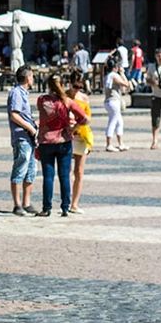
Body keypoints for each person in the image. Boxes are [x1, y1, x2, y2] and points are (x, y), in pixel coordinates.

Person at [36, 75, 88, 217]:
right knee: (64, 176)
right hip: (64, 141)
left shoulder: (42, 100)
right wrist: (73, 128)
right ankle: (65, 207)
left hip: (46, 142)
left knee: (48, 176)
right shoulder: (67, 102)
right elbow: (84, 118)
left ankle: (46, 208)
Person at [7, 65, 38, 216]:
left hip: (30, 137)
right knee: (20, 168)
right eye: (32, 76)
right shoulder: (16, 93)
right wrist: (30, 128)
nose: (33, 79)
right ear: (27, 78)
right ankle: (17, 204)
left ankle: (27, 202)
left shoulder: (24, 93)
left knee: (31, 170)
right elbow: (14, 115)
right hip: (21, 136)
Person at [68, 69, 93, 214]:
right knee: (66, 170)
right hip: (66, 135)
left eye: (80, 87)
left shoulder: (84, 98)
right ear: (70, 84)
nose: (77, 90)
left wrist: (79, 124)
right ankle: (66, 200)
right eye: (75, 86)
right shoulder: (64, 96)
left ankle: (74, 204)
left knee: (79, 171)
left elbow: (88, 119)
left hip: (81, 135)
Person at [103, 55, 130, 152]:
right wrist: (123, 73)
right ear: (115, 67)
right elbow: (126, 84)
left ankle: (121, 143)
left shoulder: (106, 76)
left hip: (108, 101)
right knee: (113, 122)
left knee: (119, 122)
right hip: (114, 101)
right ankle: (108, 144)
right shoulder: (114, 75)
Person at [146, 48, 161, 150]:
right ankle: (155, 141)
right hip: (156, 96)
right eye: (158, 56)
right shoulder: (151, 66)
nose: (160, 58)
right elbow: (147, 79)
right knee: (155, 120)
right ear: (155, 56)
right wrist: (153, 82)